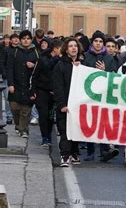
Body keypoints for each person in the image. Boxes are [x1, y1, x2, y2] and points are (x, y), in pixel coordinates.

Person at [83, 30, 118, 162]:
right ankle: (90, 151)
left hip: (104, 96)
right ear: (92, 42)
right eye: (96, 41)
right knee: (90, 123)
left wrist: (105, 71)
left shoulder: (109, 58)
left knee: (103, 122)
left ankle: (104, 151)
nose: (98, 44)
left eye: (100, 42)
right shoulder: (86, 56)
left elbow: (114, 77)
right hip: (89, 95)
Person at [52, 38, 84, 167]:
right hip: (66, 103)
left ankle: (74, 152)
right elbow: (57, 86)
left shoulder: (83, 64)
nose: (73, 48)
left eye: (75, 46)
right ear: (66, 49)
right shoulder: (60, 65)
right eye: (70, 46)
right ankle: (65, 155)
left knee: (76, 130)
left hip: (79, 104)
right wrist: (62, 104)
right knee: (65, 131)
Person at [7, 30, 40, 138]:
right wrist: (10, 84)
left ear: (31, 40)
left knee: (26, 109)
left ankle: (24, 129)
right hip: (16, 84)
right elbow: (9, 68)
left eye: (28, 38)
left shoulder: (36, 52)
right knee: (14, 107)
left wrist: (34, 65)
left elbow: (41, 68)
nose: (26, 40)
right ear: (21, 40)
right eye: (24, 38)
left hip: (29, 85)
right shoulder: (15, 52)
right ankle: (18, 126)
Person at [32, 39, 62, 147]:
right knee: (43, 114)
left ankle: (48, 135)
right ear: (55, 49)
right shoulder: (43, 59)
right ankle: (45, 137)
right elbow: (38, 73)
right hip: (42, 90)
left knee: (50, 116)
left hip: (55, 92)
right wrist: (33, 91)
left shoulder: (61, 60)